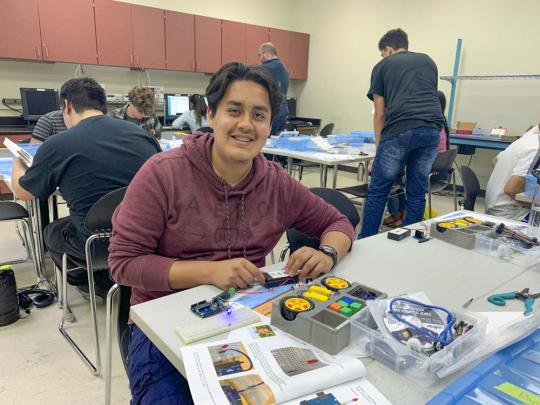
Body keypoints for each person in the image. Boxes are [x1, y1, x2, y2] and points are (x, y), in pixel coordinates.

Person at [109, 62, 355, 404]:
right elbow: (124, 264)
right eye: (234, 111)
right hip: (164, 324)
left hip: (246, 318)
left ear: (270, 125)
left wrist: (326, 253)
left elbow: (339, 224)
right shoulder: (162, 175)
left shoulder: (276, 182)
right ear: (210, 114)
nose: (245, 124)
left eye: (259, 115)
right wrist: (211, 272)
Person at [11, 78, 161, 299]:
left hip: (95, 245)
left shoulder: (58, 144)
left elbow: (24, 192)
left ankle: (89, 281)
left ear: (67, 105)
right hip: (147, 237)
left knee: (52, 231)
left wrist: (18, 162)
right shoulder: (143, 136)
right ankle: (111, 276)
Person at [359, 28, 444, 238]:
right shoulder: (428, 61)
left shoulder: (382, 66)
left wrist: (379, 150)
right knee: (417, 191)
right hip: (432, 129)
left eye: (382, 53)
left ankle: (366, 240)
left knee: (379, 191)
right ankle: (411, 238)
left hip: (400, 129)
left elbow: (379, 114)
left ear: (388, 49)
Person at [383, 90, 451, 228]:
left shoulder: (428, 128)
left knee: (389, 175)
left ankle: (400, 213)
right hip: (438, 175)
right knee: (397, 173)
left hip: (426, 175)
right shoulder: (441, 124)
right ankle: (401, 213)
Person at [485, 124, 540, 220]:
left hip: (495, 207)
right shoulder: (536, 147)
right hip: (510, 215)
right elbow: (511, 189)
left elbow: (495, 161)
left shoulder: (527, 138)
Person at [259, 42, 289, 134]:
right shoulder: (284, 69)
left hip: (271, 113)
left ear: (266, 54)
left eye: (259, 54)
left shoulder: (263, 69)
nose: (259, 58)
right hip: (283, 112)